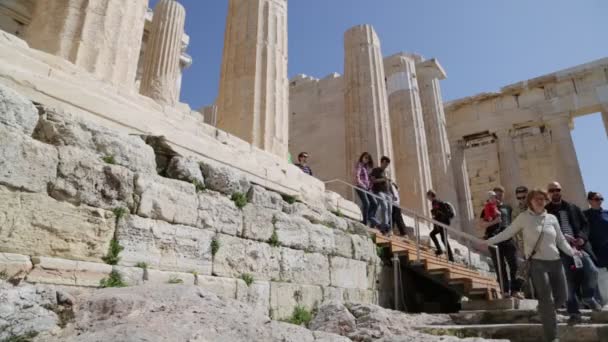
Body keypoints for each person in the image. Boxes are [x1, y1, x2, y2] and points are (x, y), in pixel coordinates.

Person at [486, 189, 579, 342]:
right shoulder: (523, 218)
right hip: (537, 263)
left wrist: (573, 253)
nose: (540, 201)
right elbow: (508, 232)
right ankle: (552, 337)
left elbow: (561, 241)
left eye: (542, 198)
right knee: (547, 300)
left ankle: (543, 310)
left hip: (555, 262)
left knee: (562, 296)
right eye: (537, 199)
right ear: (530, 201)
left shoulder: (552, 218)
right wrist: (488, 241)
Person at [545, 182, 602, 322]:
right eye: (552, 190)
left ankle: (588, 296)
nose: (555, 192)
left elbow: (585, 225)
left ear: (560, 190)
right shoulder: (546, 211)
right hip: (561, 249)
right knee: (568, 281)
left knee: (592, 270)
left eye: (557, 189)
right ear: (549, 193)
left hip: (579, 247)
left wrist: (582, 238)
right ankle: (574, 313)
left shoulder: (572, 207)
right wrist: (562, 237)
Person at [480, 186, 523, 298]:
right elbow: (482, 224)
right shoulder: (486, 208)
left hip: (508, 238)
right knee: (500, 266)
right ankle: (504, 291)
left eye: (500, 195)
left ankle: (515, 290)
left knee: (514, 265)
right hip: (494, 239)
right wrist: (494, 221)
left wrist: (517, 238)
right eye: (495, 195)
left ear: (503, 195)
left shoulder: (507, 208)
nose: (497, 197)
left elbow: (514, 223)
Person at [583, 191, 608, 306]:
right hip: (595, 252)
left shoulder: (606, 213)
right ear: (589, 201)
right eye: (596, 199)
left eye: (601, 199)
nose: (599, 201)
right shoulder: (584, 215)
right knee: (601, 279)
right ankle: (604, 304)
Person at [427, 190, 455, 262]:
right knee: (432, 234)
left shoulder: (437, 202)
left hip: (442, 223)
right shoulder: (435, 202)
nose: (428, 198)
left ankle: (451, 257)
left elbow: (440, 214)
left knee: (443, 239)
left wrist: (435, 215)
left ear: (431, 195)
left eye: (428, 196)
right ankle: (440, 250)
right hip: (439, 223)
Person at [353, 152, 378, 227]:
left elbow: (368, 179)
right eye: (365, 157)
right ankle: (365, 221)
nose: (366, 160)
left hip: (367, 188)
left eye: (368, 159)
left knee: (375, 203)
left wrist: (370, 185)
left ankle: (370, 218)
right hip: (360, 186)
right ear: (362, 157)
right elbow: (357, 176)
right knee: (366, 203)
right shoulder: (359, 165)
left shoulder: (366, 168)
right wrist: (361, 184)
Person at [370, 156, 392, 235]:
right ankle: (385, 226)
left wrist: (390, 192)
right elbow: (373, 180)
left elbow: (387, 183)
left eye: (387, 164)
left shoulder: (386, 172)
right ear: (382, 162)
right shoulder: (376, 170)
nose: (386, 165)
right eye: (385, 163)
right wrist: (383, 179)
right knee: (384, 206)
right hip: (378, 191)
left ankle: (385, 227)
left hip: (386, 192)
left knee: (390, 209)